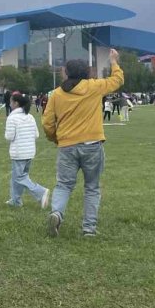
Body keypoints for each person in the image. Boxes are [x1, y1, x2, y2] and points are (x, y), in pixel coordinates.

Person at [42, 49, 124, 238]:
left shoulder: (56, 94)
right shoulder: (94, 87)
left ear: (66, 72)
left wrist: (55, 138)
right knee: (92, 187)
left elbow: (47, 122)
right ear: (87, 72)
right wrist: (113, 61)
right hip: (92, 144)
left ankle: (57, 213)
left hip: (66, 146)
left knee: (63, 185)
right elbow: (117, 80)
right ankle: (89, 229)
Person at [4, 92, 49, 208]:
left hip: (19, 153)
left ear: (16, 103)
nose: (10, 103)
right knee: (17, 177)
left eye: (11, 101)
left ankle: (40, 192)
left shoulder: (12, 117)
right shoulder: (30, 116)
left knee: (20, 177)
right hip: (29, 152)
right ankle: (16, 200)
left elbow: (9, 136)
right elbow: (36, 135)